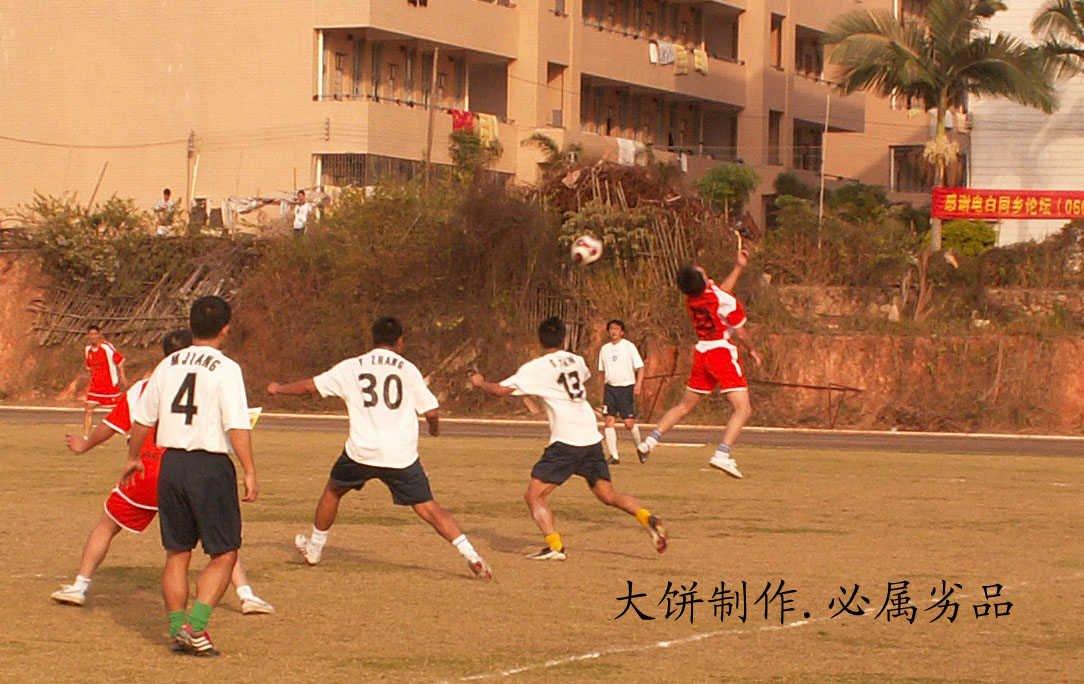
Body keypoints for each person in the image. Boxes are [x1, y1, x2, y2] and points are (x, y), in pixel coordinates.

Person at [52, 329, 273, 617]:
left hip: (148, 472)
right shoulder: (215, 375)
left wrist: (86, 445)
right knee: (222, 539)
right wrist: (249, 469)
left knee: (108, 526)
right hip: (194, 470)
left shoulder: (149, 384)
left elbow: (114, 425)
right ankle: (246, 595)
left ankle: (80, 586)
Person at [266, 316, 492, 580]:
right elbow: (431, 411)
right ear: (400, 341)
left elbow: (309, 387)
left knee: (333, 491)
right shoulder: (408, 369)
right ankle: (472, 556)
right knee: (429, 508)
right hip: (400, 455)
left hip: (361, 451)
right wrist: (434, 429)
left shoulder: (352, 366)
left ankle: (314, 548)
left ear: (372, 339)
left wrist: (279, 389)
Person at [470, 316, 667, 561]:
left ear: (540, 340)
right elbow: (581, 377)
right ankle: (646, 517)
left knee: (534, 496)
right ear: (564, 338)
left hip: (567, 440)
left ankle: (555, 547)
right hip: (590, 436)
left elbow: (500, 390)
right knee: (608, 495)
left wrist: (481, 383)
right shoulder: (576, 360)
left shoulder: (536, 368)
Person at [127, 296, 259, 656]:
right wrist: (249, 469)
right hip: (209, 466)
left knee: (177, 553)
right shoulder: (226, 368)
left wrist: (132, 457)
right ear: (225, 329)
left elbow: (143, 419)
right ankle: (194, 627)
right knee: (225, 552)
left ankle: (176, 632)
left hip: (171, 465)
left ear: (189, 325)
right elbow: (236, 424)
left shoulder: (167, 364)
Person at [636, 249, 762, 478]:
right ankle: (722, 454)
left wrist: (738, 267)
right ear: (703, 279)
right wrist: (752, 350)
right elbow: (741, 332)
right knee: (743, 409)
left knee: (684, 406)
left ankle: (650, 441)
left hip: (702, 352)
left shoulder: (692, 297)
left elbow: (720, 293)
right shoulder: (722, 299)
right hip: (721, 352)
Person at [597, 319, 644, 465]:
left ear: (622, 332)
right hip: (610, 389)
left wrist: (638, 385)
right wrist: (602, 389)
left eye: (617, 329)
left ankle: (641, 448)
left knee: (629, 423)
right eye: (611, 329)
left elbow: (640, 367)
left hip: (626, 388)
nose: (614, 332)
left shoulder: (629, 347)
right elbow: (602, 371)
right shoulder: (605, 349)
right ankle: (614, 456)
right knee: (608, 421)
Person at [84, 325, 128, 438]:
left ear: (99, 334)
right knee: (88, 409)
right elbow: (90, 368)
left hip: (109, 385)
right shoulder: (88, 350)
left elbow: (120, 361)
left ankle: (129, 434)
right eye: (91, 334)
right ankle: (86, 437)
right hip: (95, 386)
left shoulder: (106, 347)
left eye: (95, 334)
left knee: (118, 411)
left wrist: (122, 377)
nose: (93, 336)